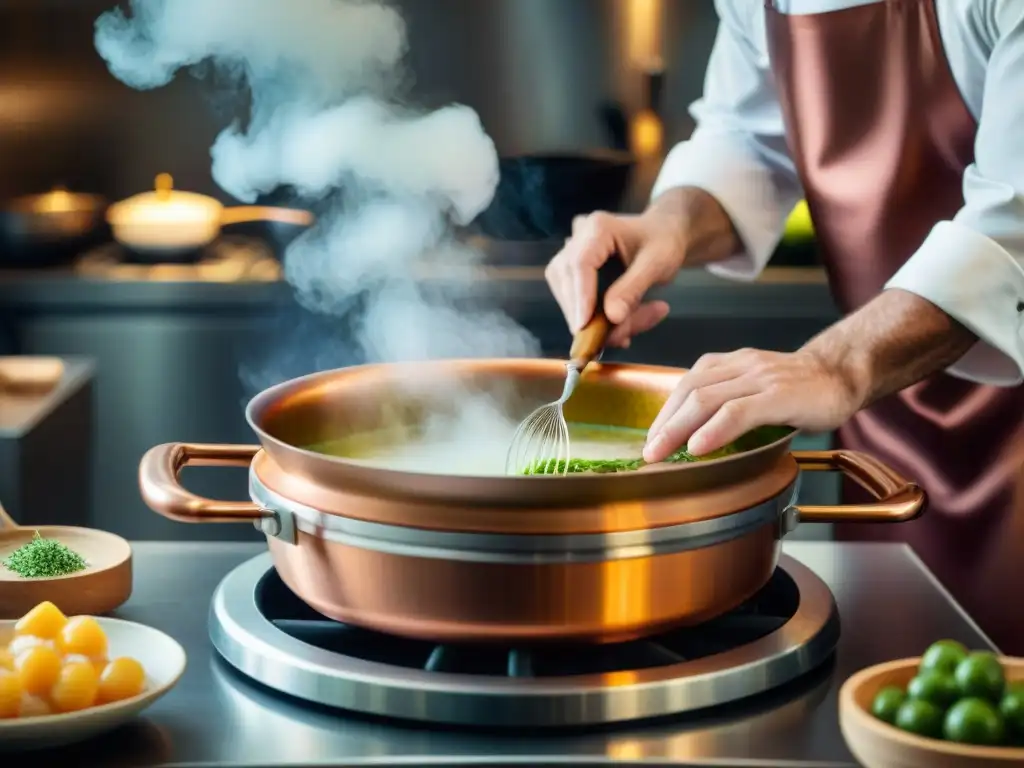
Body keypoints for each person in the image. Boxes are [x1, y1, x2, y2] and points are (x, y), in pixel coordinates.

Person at [545, 0, 1024, 652]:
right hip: (885, 431)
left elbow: (1014, 225)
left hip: (984, 421)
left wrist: (834, 366)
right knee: (895, 678)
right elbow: (746, 142)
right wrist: (667, 226)